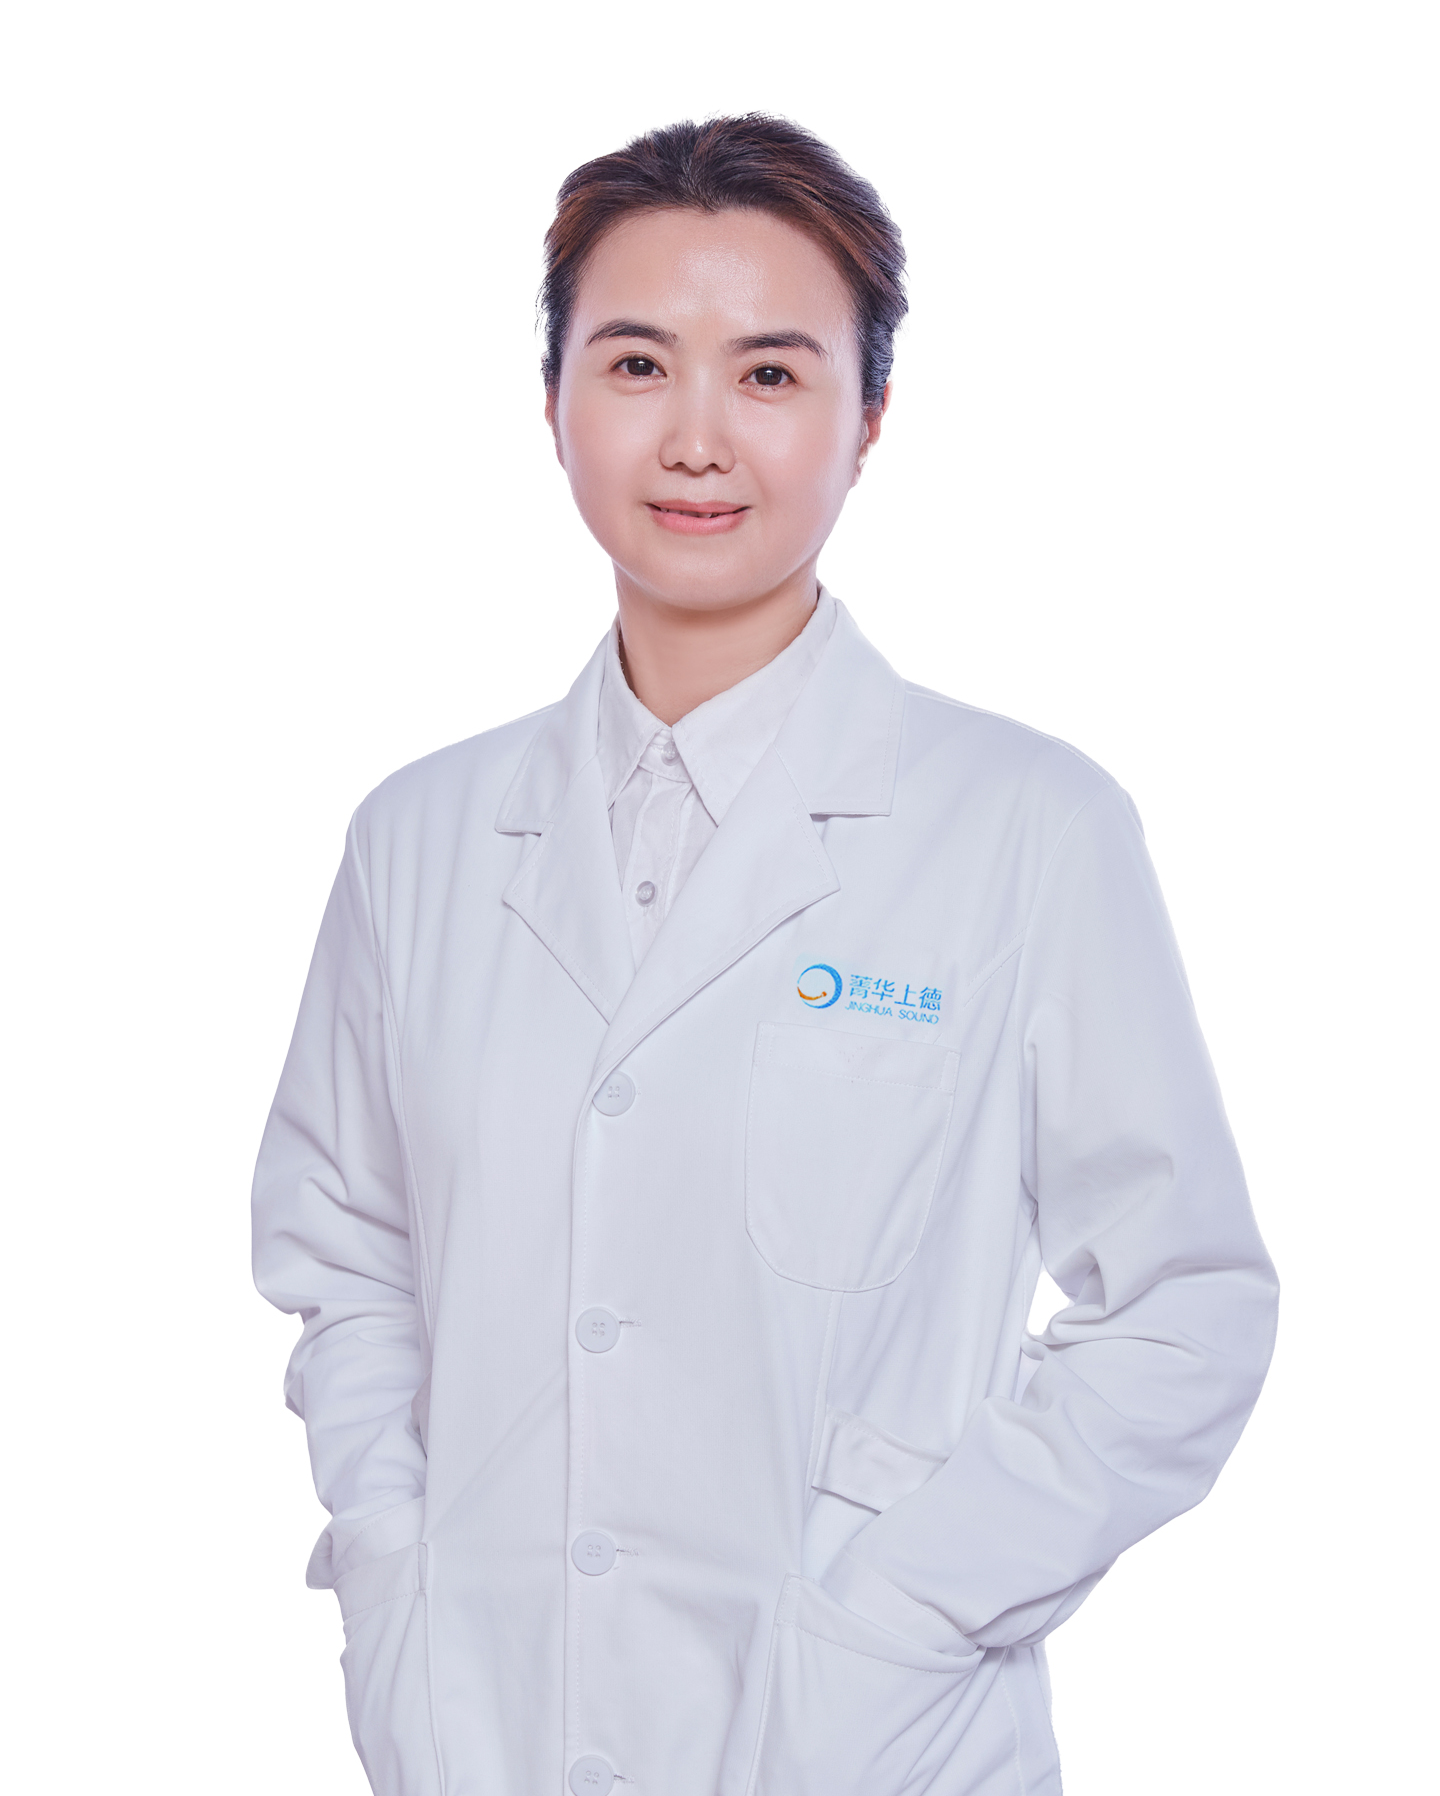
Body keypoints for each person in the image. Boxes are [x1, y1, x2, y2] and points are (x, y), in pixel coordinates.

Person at [252, 114, 1278, 1796]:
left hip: (868, 1741)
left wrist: (907, 1607)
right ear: (552, 401)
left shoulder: (1026, 826)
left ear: (871, 417)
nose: (697, 437)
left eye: (773, 373)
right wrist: (390, 1564)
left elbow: (1187, 1304)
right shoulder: (419, 837)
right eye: (636, 362)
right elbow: (348, 1250)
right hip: (485, 1731)